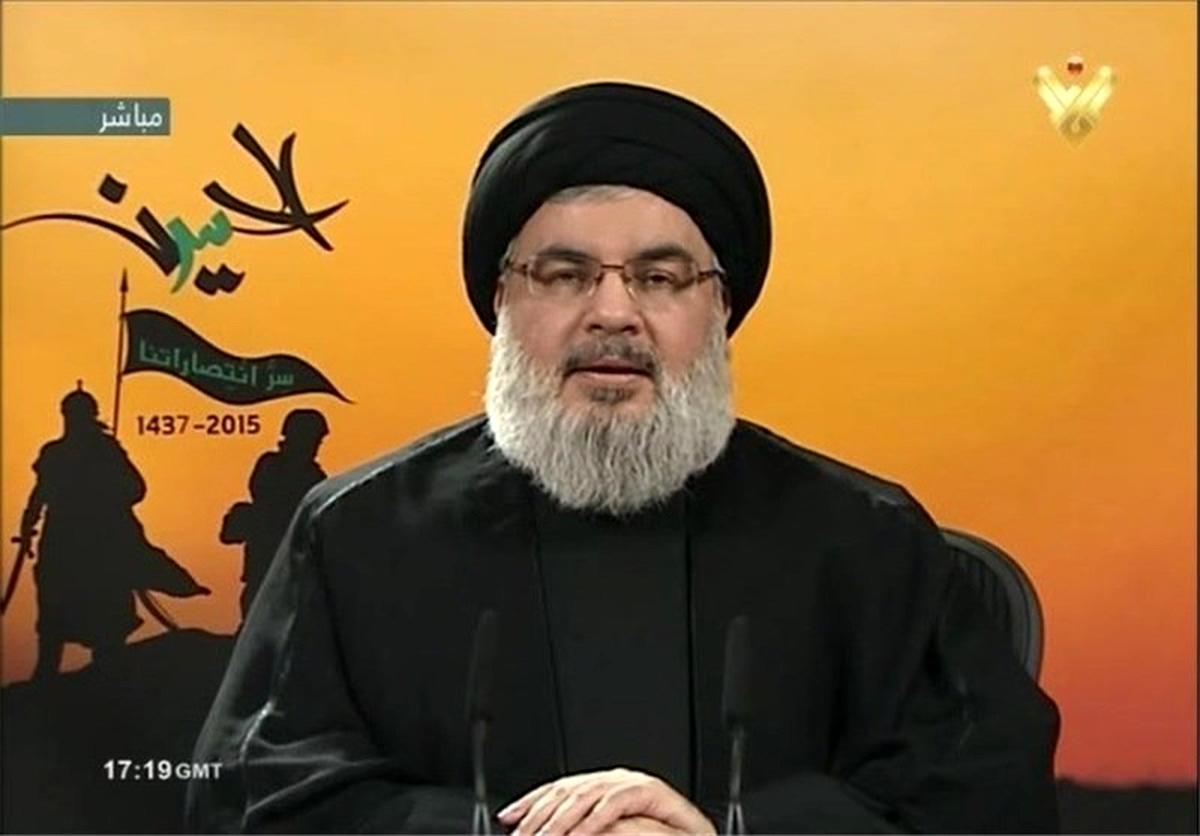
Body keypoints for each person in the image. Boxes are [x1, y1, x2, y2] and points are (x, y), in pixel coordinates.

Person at [186, 81, 1059, 834]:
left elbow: (988, 796)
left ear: (720, 309)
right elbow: (252, 797)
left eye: (659, 277)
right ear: (502, 300)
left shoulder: (865, 538)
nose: (612, 313)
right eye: (564, 275)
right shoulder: (361, 535)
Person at [18, 382, 208, 678]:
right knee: (54, 617)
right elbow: (38, 496)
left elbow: (135, 488)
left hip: (101, 546)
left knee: (106, 622)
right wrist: (27, 527)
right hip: (62, 547)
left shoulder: (105, 451)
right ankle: (46, 682)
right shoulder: (55, 453)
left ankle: (105, 679)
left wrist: (105, 493)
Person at [221, 408, 329, 620]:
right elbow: (268, 499)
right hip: (269, 567)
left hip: (293, 571)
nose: (316, 446)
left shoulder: (314, 475)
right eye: (313, 439)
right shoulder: (274, 466)